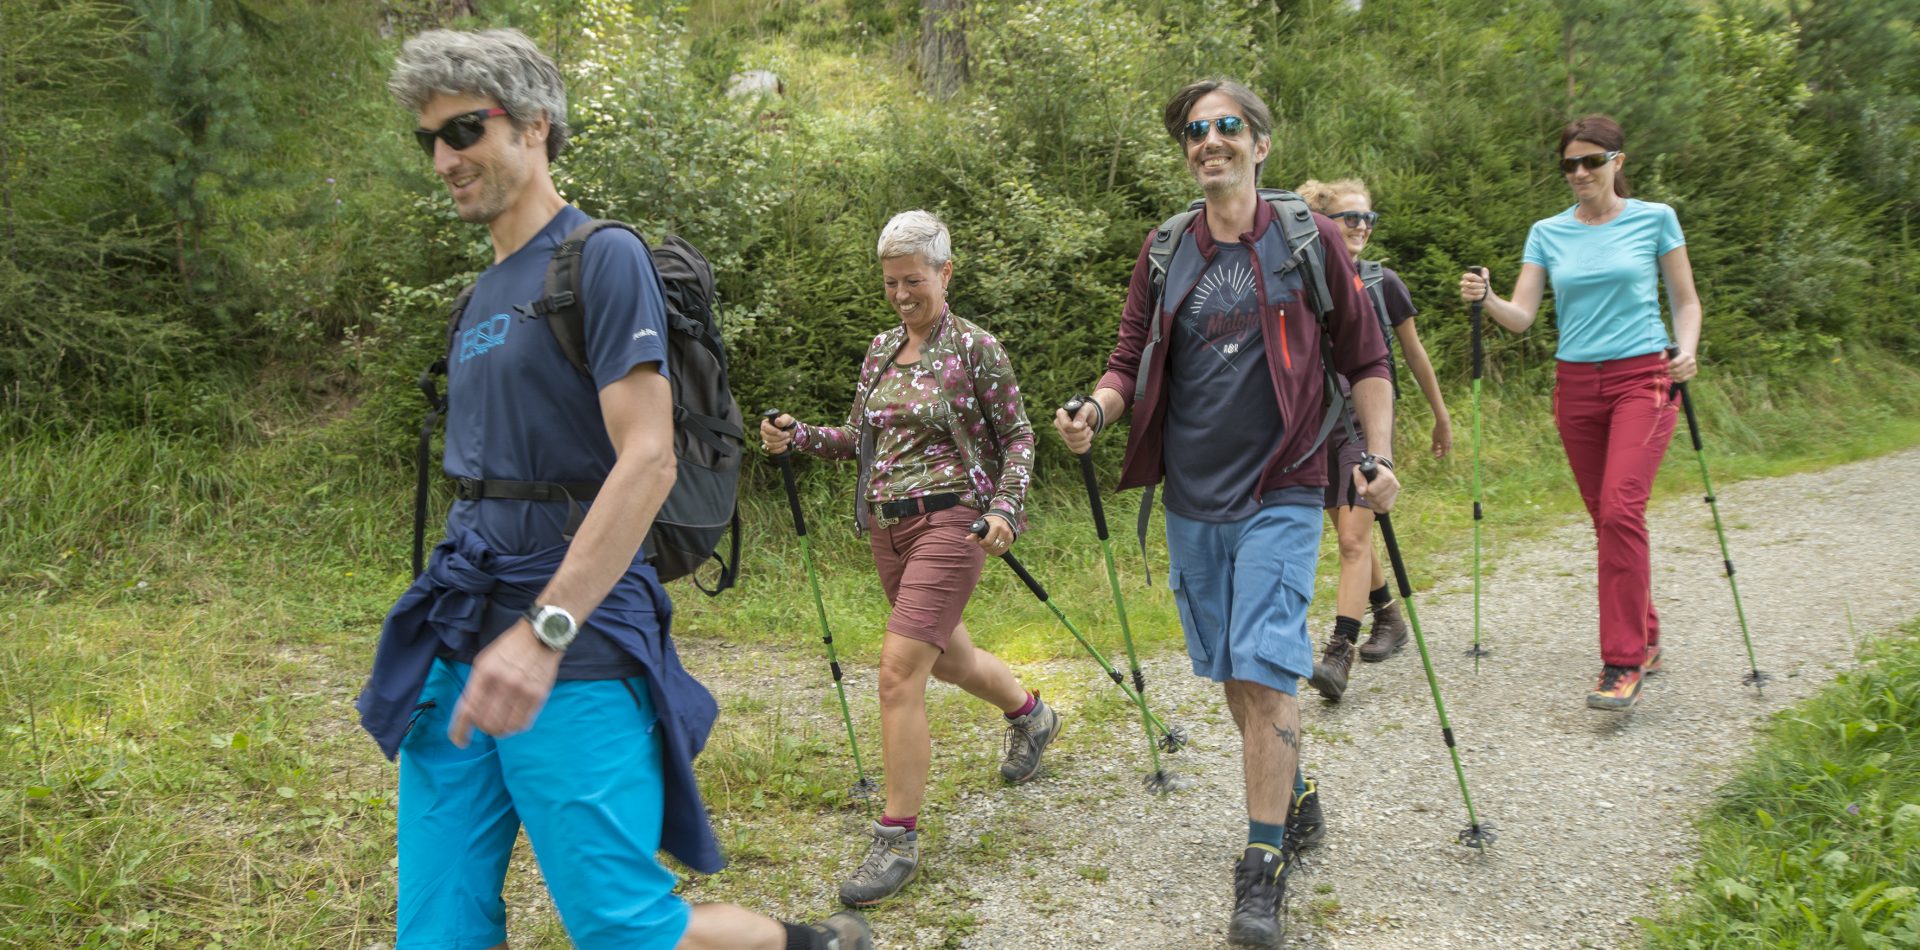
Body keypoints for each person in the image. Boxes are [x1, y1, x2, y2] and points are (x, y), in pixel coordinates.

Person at [356, 28, 871, 950]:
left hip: (573, 637)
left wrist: (543, 634)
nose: (443, 157)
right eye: (428, 138)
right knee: (434, 928)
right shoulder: (479, 297)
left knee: (623, 930)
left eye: (464, 129)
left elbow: (649, 459)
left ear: (535, 124)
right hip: (460, 623)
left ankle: (805, 943)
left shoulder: (600, 258)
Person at [1054, 80, 1399, 949]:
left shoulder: (1305, 239)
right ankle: (1296, 790)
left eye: (1227, 127)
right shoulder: (1168, 248)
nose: (1210, 141)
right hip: (1191, 495)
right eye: (1196, 132)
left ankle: (1261, 866)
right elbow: (1128, 355)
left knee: (1269, 664)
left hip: (1284, 485)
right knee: (1232, 676)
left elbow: (1366, 356)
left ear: (1260, 144)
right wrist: (1095, 410)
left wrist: (1378, 457)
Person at [759, 210, 1059, 908]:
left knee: (898, 674)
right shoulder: (879, 350)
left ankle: (897, 836)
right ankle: (1031, 714)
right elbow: (861, 442)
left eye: (913, 281)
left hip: (952, 522)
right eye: (891, 282)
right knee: (947, 658)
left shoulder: (976, 348)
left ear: (946, 274)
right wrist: (799, 434)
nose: (900, 294)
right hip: (885, 530)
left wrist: (1005, 510)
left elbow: (1018, 436)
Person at [1457, 114, 1700, 712]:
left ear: (1618, 161)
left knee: (1621, 508)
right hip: (1575, 387)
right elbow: (1523, 315)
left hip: (1643, 377)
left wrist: (1687, 350)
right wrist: (1486, 299)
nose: (1581, 172)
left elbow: (1685, 300)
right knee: (1607, 517)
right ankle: (1646, 633)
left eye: (1593, 160)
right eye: (1571, 163)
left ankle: (1621, 661)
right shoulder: (1547, 232)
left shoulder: (1655, 218)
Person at [1295, 178, 1453, 701]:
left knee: (1351, 540)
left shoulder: (1384, 282)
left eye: (1368, 218)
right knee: (1349, 531)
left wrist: (1440, 414)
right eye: (1349, 218)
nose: (1361, 226)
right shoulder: (1304, 280)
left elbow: (1413, 354)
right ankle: (1388, 615)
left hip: (1362, 424)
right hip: (1317, 423)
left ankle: (1339, 651)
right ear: (1323, 224)